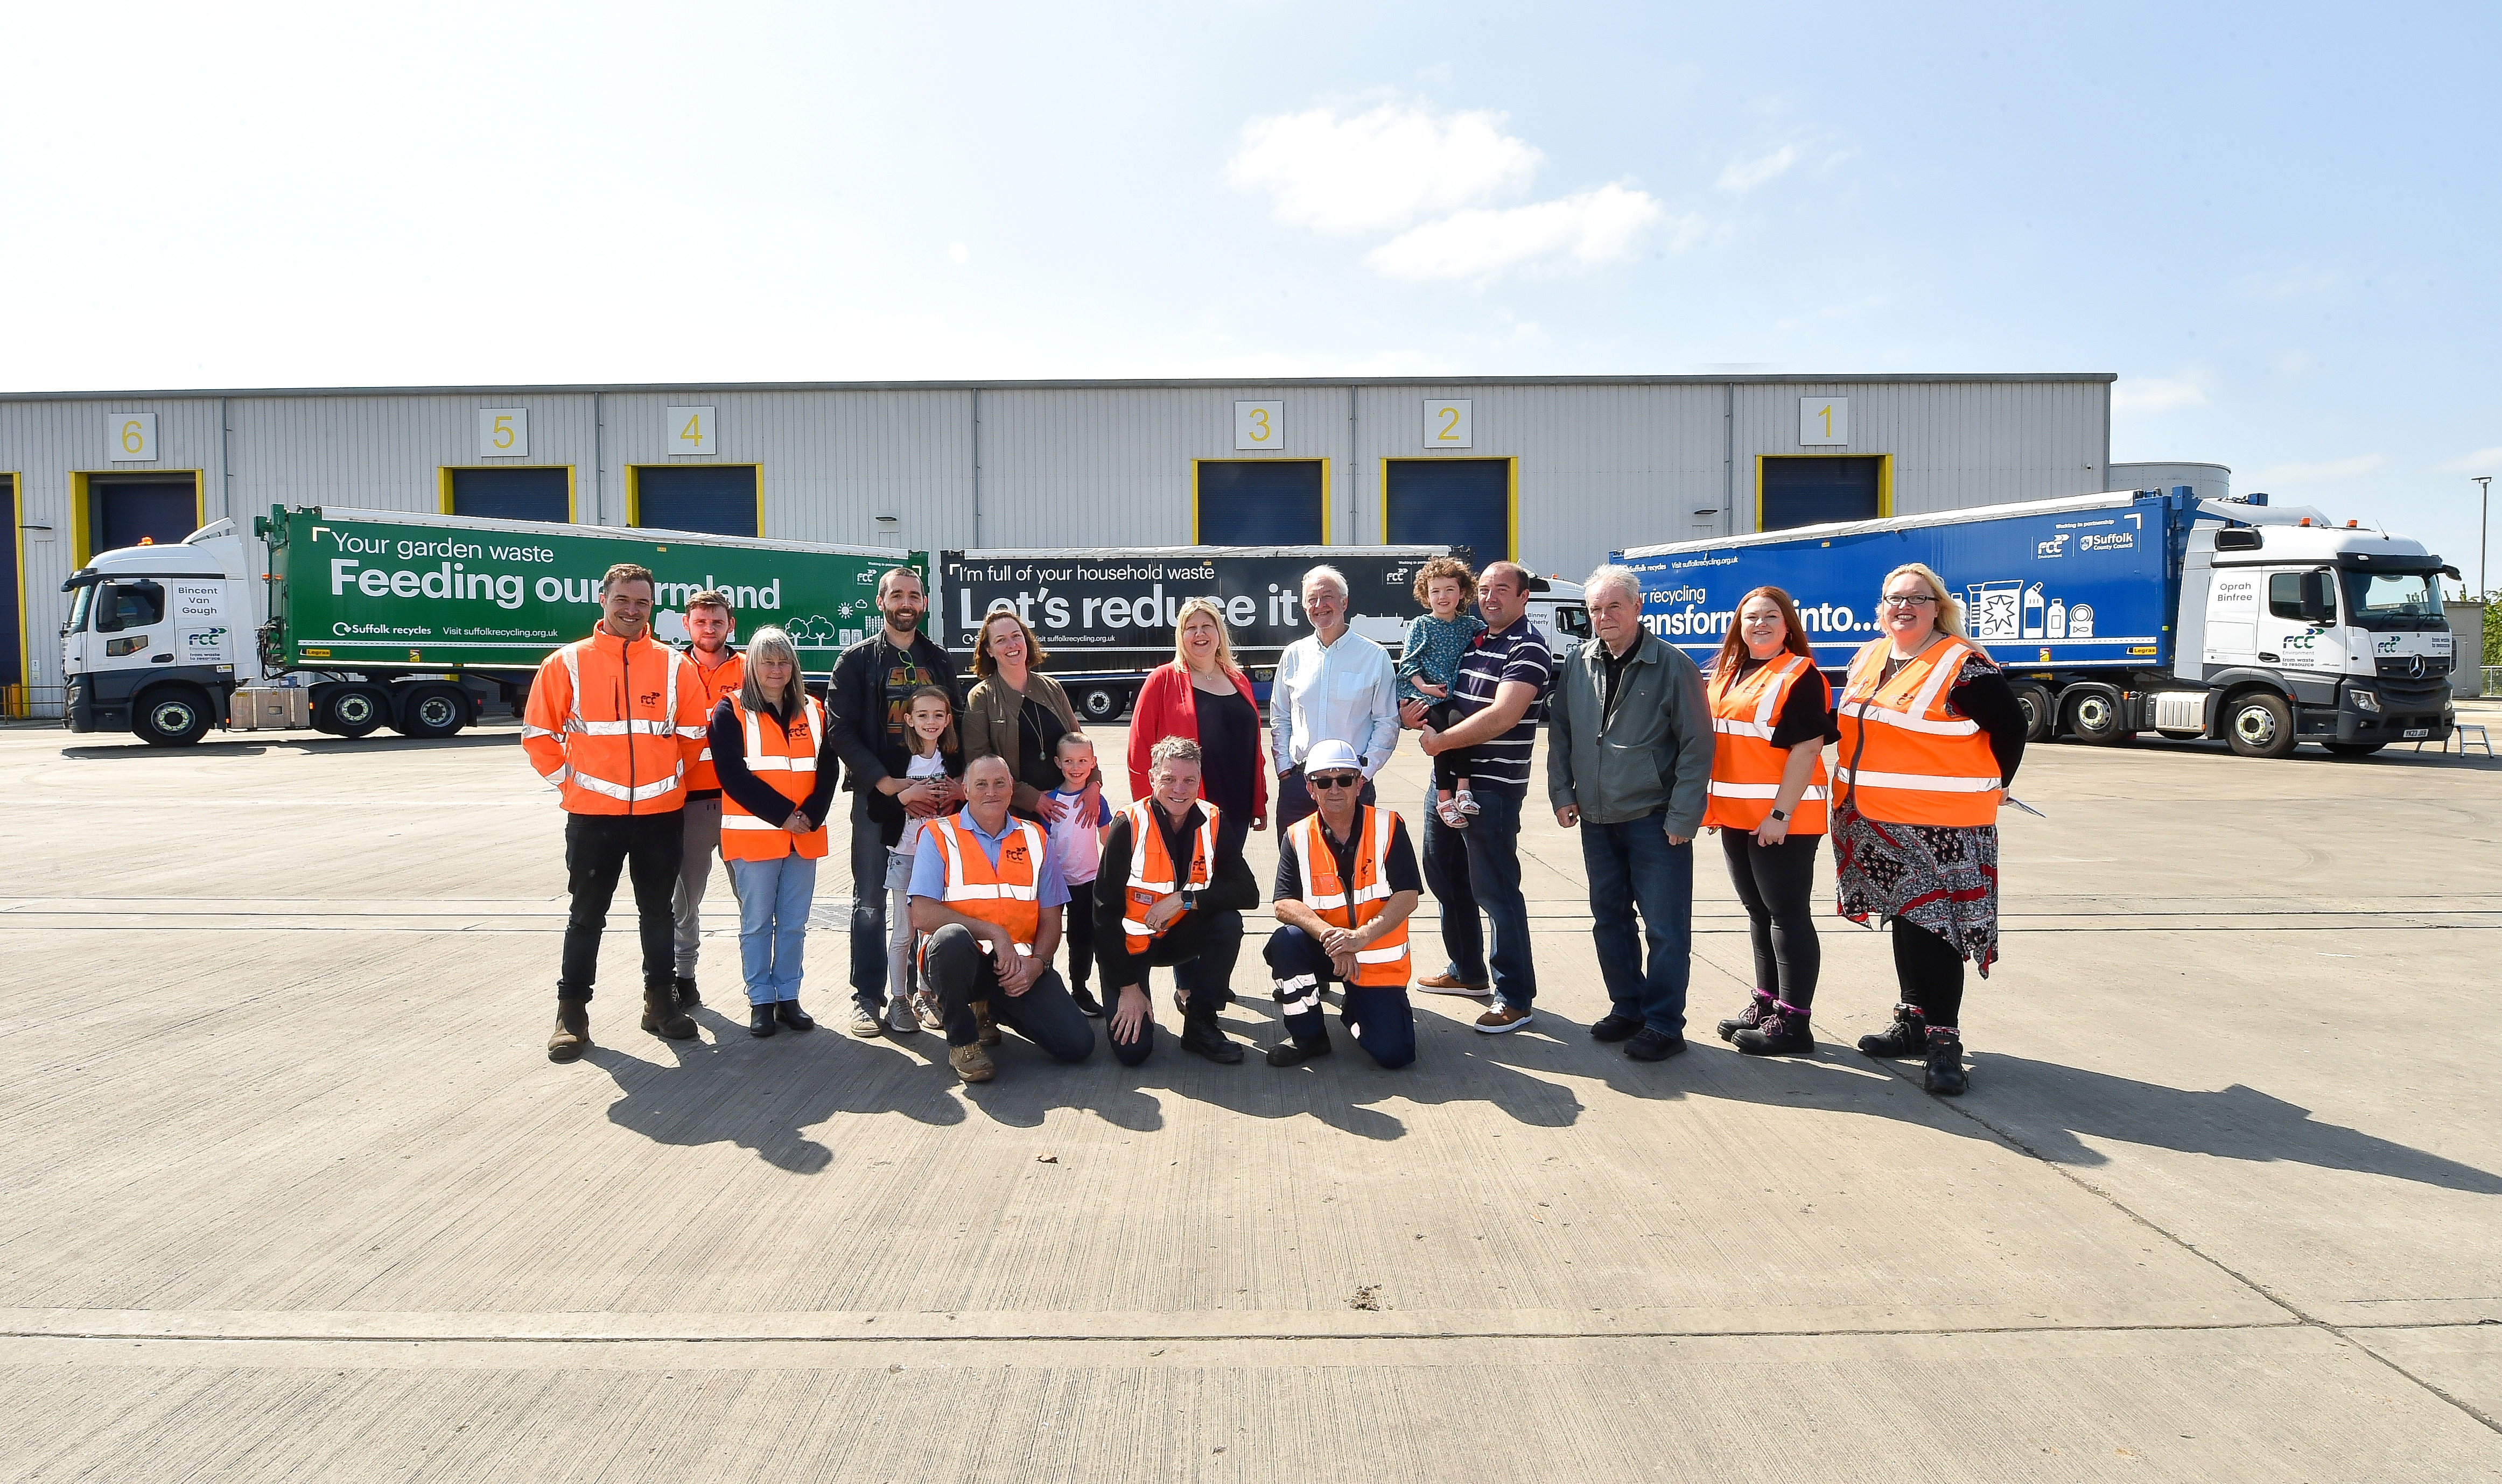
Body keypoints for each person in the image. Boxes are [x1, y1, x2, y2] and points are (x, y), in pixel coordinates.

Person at [1832, 562, 2028, 1096]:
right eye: (1894, 597)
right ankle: (1914, 1021)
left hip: (1943, 826)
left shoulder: (1963, 666)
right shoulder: (1872, 656)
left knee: (1937, 931)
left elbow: (2012, 727)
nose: (1904, 606)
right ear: (1881, 607)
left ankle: (1945, 1041)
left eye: (1917, 598)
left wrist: (1998, 784)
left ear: (1937, 607)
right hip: (1877, 821)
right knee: (1907, 920)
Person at [524, 562, 711, 1061]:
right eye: (623, 600)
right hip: (593, 817)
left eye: (642, 602)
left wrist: (665, 781)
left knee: (659, 913)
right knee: (586, 916)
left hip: (659, 814)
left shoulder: (675, 665)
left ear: (653, 605)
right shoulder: (565, 663)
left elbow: (694, 736)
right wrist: (572, 786)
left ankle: (660, 1004)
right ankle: (572, 1013)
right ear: (602, 599)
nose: (632, 610)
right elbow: (539, 736)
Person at [1545, 564, 1714, 1061]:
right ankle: (1628, 1007)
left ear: (1637, 608)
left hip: (1653, 818)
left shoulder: (1672, 665)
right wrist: (1562, 791)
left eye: (1614, 605)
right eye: (1595, 608)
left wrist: (1683, 817)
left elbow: (1696, 746)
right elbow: (1561, 732)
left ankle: (1664, 1023)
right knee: (1609, 919)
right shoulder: (1579, 662)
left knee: (1664, 927)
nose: (1604, 616)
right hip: (1596, 819)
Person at [1399, 560, 1553, 1032]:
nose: (1490, 597)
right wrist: (1415, 715)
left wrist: (1441, 742)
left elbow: (1504, 715)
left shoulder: (1528, 646)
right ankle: (1468, 971)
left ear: (1524, 597)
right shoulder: (1474, 640)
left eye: (1501, 590)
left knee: (1495, 890)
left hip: (1492, 787)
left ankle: (1514, 996)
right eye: (1484, 589)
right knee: (1445, 877)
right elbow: (1441, 702)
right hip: (1445, 781)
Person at [825, 567, 964, 1038]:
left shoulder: (939, 660)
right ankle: (868, 998)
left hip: (935, 805)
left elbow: (959, 723)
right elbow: (839, 729)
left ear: (924, 603)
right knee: (869, 902)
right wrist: (888, 784)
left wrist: (957, 782)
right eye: (897, 594)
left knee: (922, 904)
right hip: (878, 801)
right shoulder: (857, 661)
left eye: (915, 595)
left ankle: (920, 994)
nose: (906, 602)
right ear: (881, 601)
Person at [1704, 587, 1838, 1057]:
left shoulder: (1800, 674)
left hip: (1782, 818)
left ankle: (1794, 1023)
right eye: (1750, 616)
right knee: (1759, 913)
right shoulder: (1727, 673)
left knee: (1786, 915)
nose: (1759, 624)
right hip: (1737, 817)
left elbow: (1806, 749)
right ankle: (1767, 1002)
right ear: (1739, 625)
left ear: (1787, 626)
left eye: (1770, 617)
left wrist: (1779, 814)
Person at [909, 754, 1096, 1085]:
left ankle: (991, 1008)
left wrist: (1037, 965)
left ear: (1012, 790)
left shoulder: (1036, 837)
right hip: (958, 964)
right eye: (981, 784)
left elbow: (1053, 917)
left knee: (1077, 1045)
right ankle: (964, 1042)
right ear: (965, 790)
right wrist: (995, 933)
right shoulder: (938, 834)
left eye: (999, 784)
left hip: (1016, 968)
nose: (991, 792)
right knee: (951, 939)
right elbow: (922, 913)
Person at [1095, 736, 1258, 1066]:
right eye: (1169, 779)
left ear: (1200, 781)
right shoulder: (1129, 824)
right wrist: (1128, 986)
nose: (1180, 789)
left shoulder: (1214, 820)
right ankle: (1136, 994)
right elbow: (1103, 913)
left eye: (1189, 780)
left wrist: (1185, 899)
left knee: (1228, 922)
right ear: (1152, 777)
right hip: (1130, 947)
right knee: (1133, 1052)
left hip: (1180, 938)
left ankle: (1200, 1024)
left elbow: (1248, 893)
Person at [1263, 739, 1423, 1070]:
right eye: (1324, 781)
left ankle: (1357, 1007)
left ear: (1360, 783)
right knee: (1286, 944)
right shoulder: (1296, 835)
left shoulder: (1389, 826)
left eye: (1345, 779)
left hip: (1375, 958)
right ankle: (1309, 1037)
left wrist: (1360, 938)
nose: (1334, 789)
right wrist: (1332, 938)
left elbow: (1408, 895)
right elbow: (1283, 904)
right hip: (1328, 950)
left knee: (1395, 1056)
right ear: (1310, 788)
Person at [711, 627, 829, 1037]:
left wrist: (810, 815)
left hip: (805, 835)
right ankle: (760, 999)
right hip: (755, 837)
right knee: (757, 922)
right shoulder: (729, 711)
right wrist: (783, 816)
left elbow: (828, 770)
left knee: (794, 922)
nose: (776, 670)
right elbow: (731, 775)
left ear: (793, 667)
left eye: (783, 662)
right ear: (753, 667)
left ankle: (789, 997)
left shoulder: (816, 710)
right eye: (767, 662)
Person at [1127, 597, 1267, 869]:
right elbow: (1139, 751)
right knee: (1187, 887)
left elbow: (1252, 747)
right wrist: (1150, 811)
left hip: (1236, 807)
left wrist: (1258, 801)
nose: (1200, 634)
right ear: (1181, 636)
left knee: (1222, 884)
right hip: (1183, 808)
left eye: (1207, 626)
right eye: (1191, 628)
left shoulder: (1238, 679)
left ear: (1219, 633)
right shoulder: (1162, 679)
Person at [1268, 565, 1400, 834]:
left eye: (1327, 596)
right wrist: (1284, 768)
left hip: (1352, 783)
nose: (1320, 605)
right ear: (1305, 607)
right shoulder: (1293, 655)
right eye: (1312, 600)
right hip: (1300, 784)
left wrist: (1365, 773)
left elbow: (1387, 721)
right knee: (1295, 869)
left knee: (1353, 868)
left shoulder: (1374, 657)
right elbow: (1280, 716)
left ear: (1344, 602)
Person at [668, 590, 745, 1010]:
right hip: (688, 804)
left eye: (717, 621)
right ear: (687, 624)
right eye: (701, 622)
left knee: (752, 902)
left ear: (730, 624)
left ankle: (762, 985)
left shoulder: (750, 668)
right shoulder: (670, 667)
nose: (709, 629)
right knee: (683, 901)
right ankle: (684, 977)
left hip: (740, 803)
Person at [959, 608, 1092, 824]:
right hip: (1014, 815)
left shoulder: (1052, 688)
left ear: (1026, 640)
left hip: (1065, 808)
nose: (1011, 645)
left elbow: (1080, 741)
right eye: (1001, 640)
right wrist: (1033, 799)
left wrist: (1094, 784)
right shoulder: (981, 696)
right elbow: (978, 762)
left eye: (1016, 636)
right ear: (990, 650)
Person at [881, 685, 963, 1036]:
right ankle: (898, 998)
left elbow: (965, 804)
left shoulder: (954, 760)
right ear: (909, 720)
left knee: (934, 932)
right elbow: (876, 806)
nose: (931, 722)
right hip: (904, 855)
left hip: (942, 859)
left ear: (947, 720)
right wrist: (905, 796)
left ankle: (926, 995)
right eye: (923, 715)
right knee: (904, 931)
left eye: (938, 715)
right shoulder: (897, 759)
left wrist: (958, 791)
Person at [1396, 557, 1490, 829]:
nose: (1443, 597)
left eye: (1450, 590)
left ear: (1462, 592)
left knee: (1461, 727)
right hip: (1422, 692)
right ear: (1426, 595)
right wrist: (1424, 687)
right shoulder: (1421, 625)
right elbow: (1408, 663)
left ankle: (1463, 788)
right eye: (1435, 591)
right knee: (1440, 737)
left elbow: (1492, 634)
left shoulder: (1469, 625)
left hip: (1449, 696)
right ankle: (1444, 797)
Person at [1040, 733, 1113, 1017]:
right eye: (1069, 761)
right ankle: (1045, 989)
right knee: (1047, 936)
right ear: (1058, 763)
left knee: (1082, 940)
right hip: (1055, 883)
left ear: (1093, 763)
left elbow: (1108, 840)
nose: (1076, 767)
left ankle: (1080, 989)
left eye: (1083, 760)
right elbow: (1042, 848)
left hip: (1088, 882)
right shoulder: (1049, 803)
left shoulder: (1097, 801)